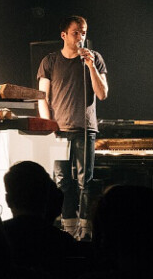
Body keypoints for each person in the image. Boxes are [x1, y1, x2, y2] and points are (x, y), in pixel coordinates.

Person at [37, 15, 108, 240]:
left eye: (84, 32)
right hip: (59, 131)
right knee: (62, 182)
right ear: (64, 35)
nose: (81, 37)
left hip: (85, 129)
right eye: (76, 32)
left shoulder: (94, 59)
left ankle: (85, 232)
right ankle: (68, 230)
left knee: (84, 182)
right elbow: (42, 98)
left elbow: (102, 93)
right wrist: (48, 127)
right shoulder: (49, 61)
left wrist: (90, 67)